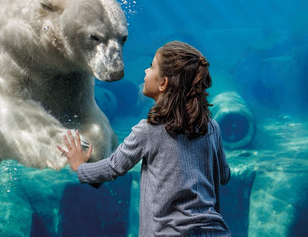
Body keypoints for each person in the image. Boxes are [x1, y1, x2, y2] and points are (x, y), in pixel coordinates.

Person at [58, 41, 231, 236]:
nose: (145, 71)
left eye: (151, 66)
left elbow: (113, 167)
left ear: (163, 83)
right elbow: (223, 176)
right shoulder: (211, 127)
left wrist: (80, 167)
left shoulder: (149, 130)